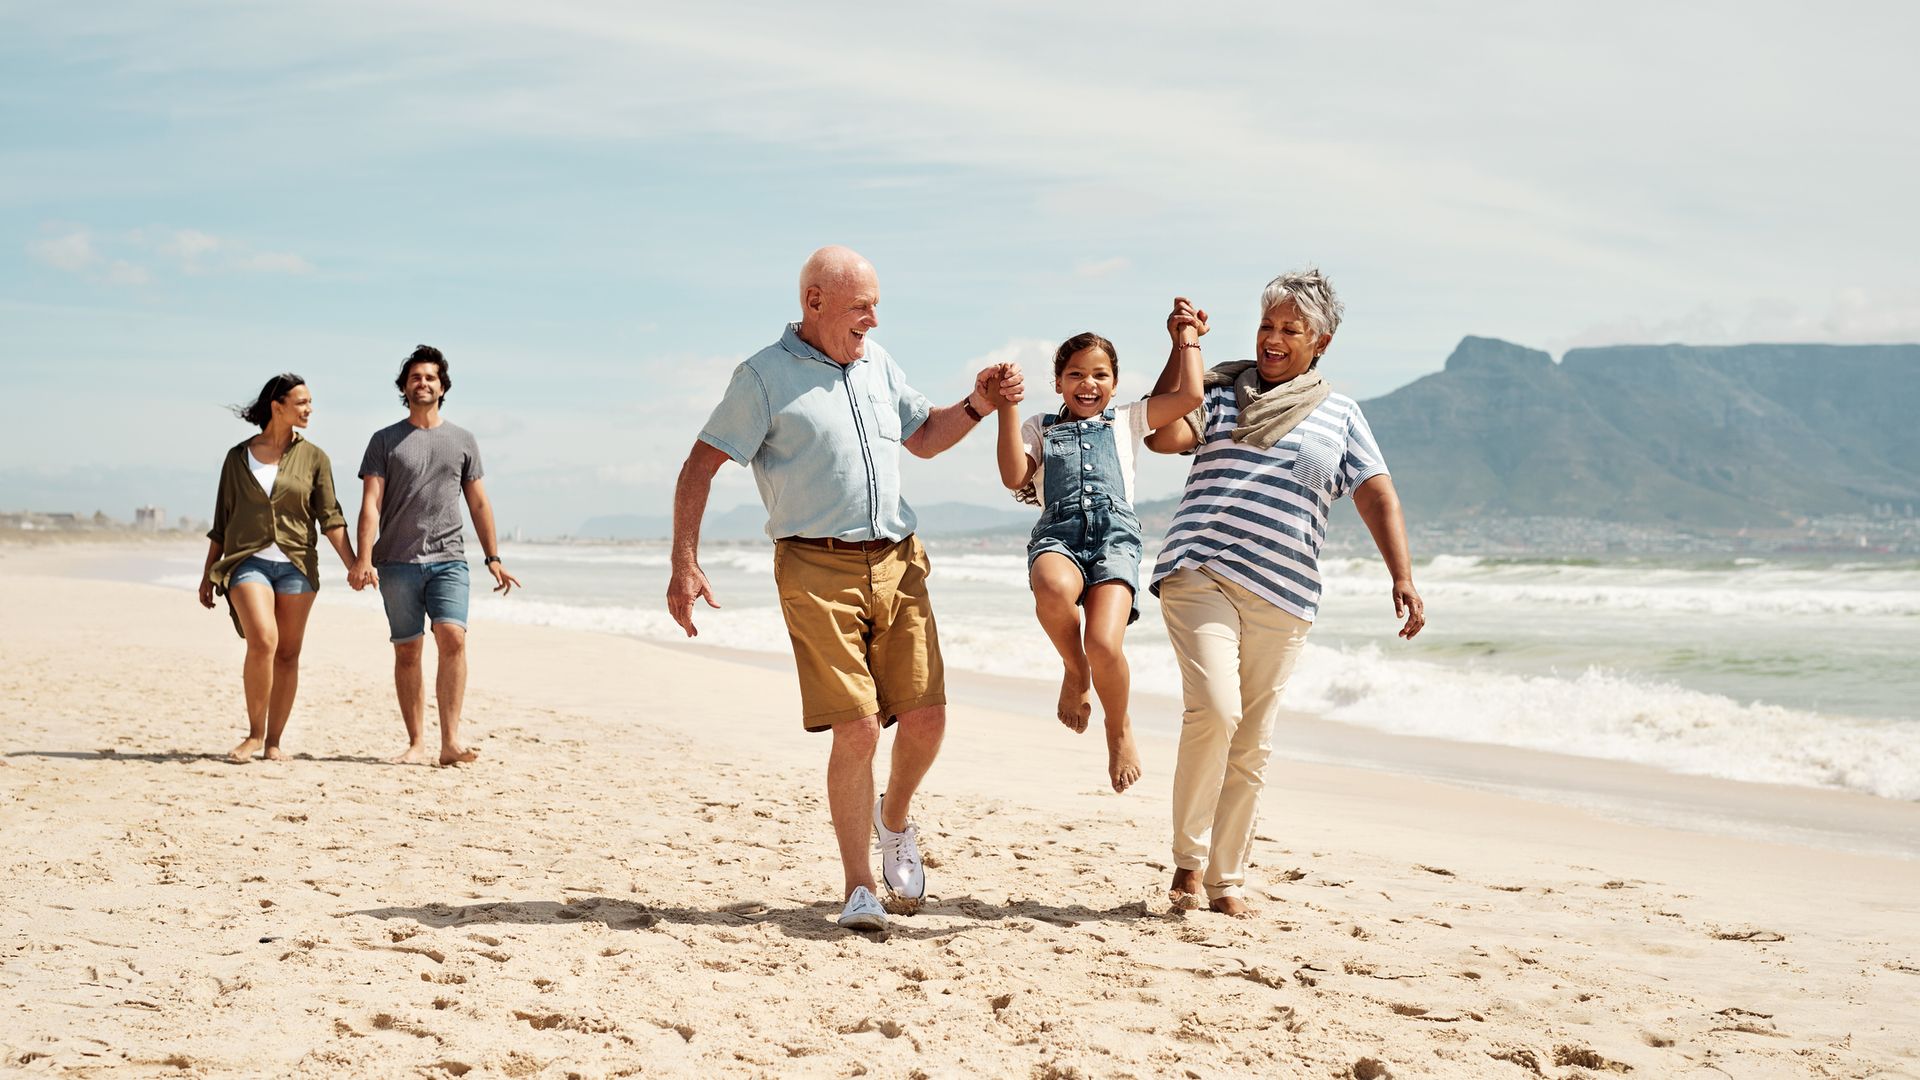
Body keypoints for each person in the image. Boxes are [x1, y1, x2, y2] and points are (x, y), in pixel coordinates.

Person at [667, 245, 1020, 934]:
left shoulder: (877, 365)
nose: (874, 321)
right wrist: (685, 562)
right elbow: (699, 465)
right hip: (815, 568)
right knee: (857, 727)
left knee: (927, 718)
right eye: (863, 307)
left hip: (898, 561)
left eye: (877, 306)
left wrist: (977, 404)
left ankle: (893, 821)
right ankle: (859, 885)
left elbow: (924, 438)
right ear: (816, 302)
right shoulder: (763, 378)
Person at [1143, 269, 1426, 916]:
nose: (1272, 338)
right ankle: (1188, 861)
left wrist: (1402, 575)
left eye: (1290, 329)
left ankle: (1226, 879)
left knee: (1253, 740)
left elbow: (1375, 492)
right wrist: (1182, 346)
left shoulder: (1341, 415)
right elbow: (1162, 434)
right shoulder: (1218, 392)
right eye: (1267, 325)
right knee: (1215, 710)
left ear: (1320, 341)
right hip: (1201, 569)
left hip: (1284, 589)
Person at [992, 319, 1203, 793]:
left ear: (1114, 381)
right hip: (1059, 533)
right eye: (1075, 375)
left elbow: (1189, 395)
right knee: (1051, 587)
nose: (1088, 384)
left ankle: (1118, 726)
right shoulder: (1039, 427)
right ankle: (1074, 669)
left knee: (1106, 645)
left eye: (1100, 374)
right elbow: (1012, 475)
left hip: (1115, 538)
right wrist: (1007, 406)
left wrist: (1186, 338)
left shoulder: (1128, 419)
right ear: (1059, 383)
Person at [351, 345, 522, 767]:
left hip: (450, 559)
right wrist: (363, 558)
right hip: (396, 562)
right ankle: (416, 743)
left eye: (430, 377)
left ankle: (450, 742)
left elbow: (479, 504)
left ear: (442, 387)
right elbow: (370, 503)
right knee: (407, 651)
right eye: (415, 377)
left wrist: (493, 558)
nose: (422, 382)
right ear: (404, 387)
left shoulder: (463, 440)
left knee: (453, 637)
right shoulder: (385, 440)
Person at [198, 374, 366, 763]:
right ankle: (254, 735)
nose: (309, 410)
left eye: (310, 403)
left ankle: (274, 742)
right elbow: (222, 520)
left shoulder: (315, 458)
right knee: (263, 640)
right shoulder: (237, 457)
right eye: (302, 402)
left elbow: (330, 518)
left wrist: (354, 564)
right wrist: (209, 574)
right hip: (246, 561)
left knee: (288, 654)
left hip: (297, 565)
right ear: (278, 406)